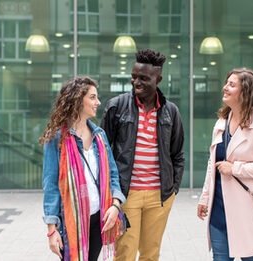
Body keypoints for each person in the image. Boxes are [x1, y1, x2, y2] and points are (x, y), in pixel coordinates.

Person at [101, 49, 185, 261]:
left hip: (160, 196)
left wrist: (173, 188)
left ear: (158, 79)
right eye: (134, 76)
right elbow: (103, 153)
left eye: (144, 78)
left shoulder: (171, 111)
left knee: (150, 254)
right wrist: (111, 193)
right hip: (126, 195)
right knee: (125, 254)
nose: (136, 82)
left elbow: (177, 154)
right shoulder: (116, 106)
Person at [197, 68, 253, 261]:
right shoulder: (222, 121)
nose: (225, 88)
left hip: (248, 211)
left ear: (246, 91)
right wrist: (205, 198)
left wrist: (235, 168)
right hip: (219, 210)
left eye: (232, 84)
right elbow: (212, 163)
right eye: (226, 83)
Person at [41, 76, 126, 261]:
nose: (98, 102)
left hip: (98, 219)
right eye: (93, 97)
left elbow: (112, 175)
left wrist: (115, 204)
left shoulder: (99, 135)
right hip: (71, 222)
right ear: (78, 100)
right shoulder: (56, 138)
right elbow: (51, 186)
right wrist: (51, 230)